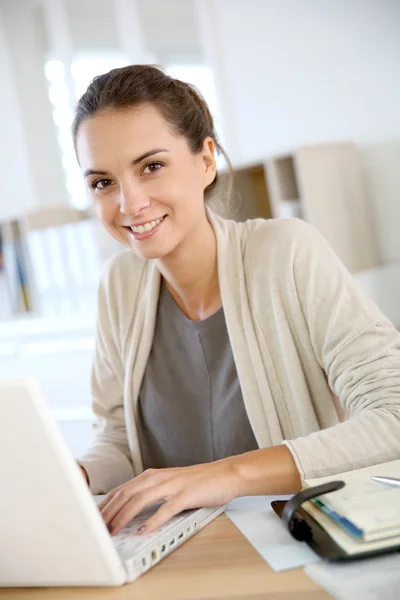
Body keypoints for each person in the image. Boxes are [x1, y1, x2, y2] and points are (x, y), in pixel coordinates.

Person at [73, 64, 400, 538]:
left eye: (152, 166)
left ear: (206, 160)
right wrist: (75, 476)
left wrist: (223, 477)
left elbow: (393, 414)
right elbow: (119, 439)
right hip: (170, 552)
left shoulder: (286, 252)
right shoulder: (119, 284)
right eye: (103, 182)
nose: (130, 203)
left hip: (291, 544)